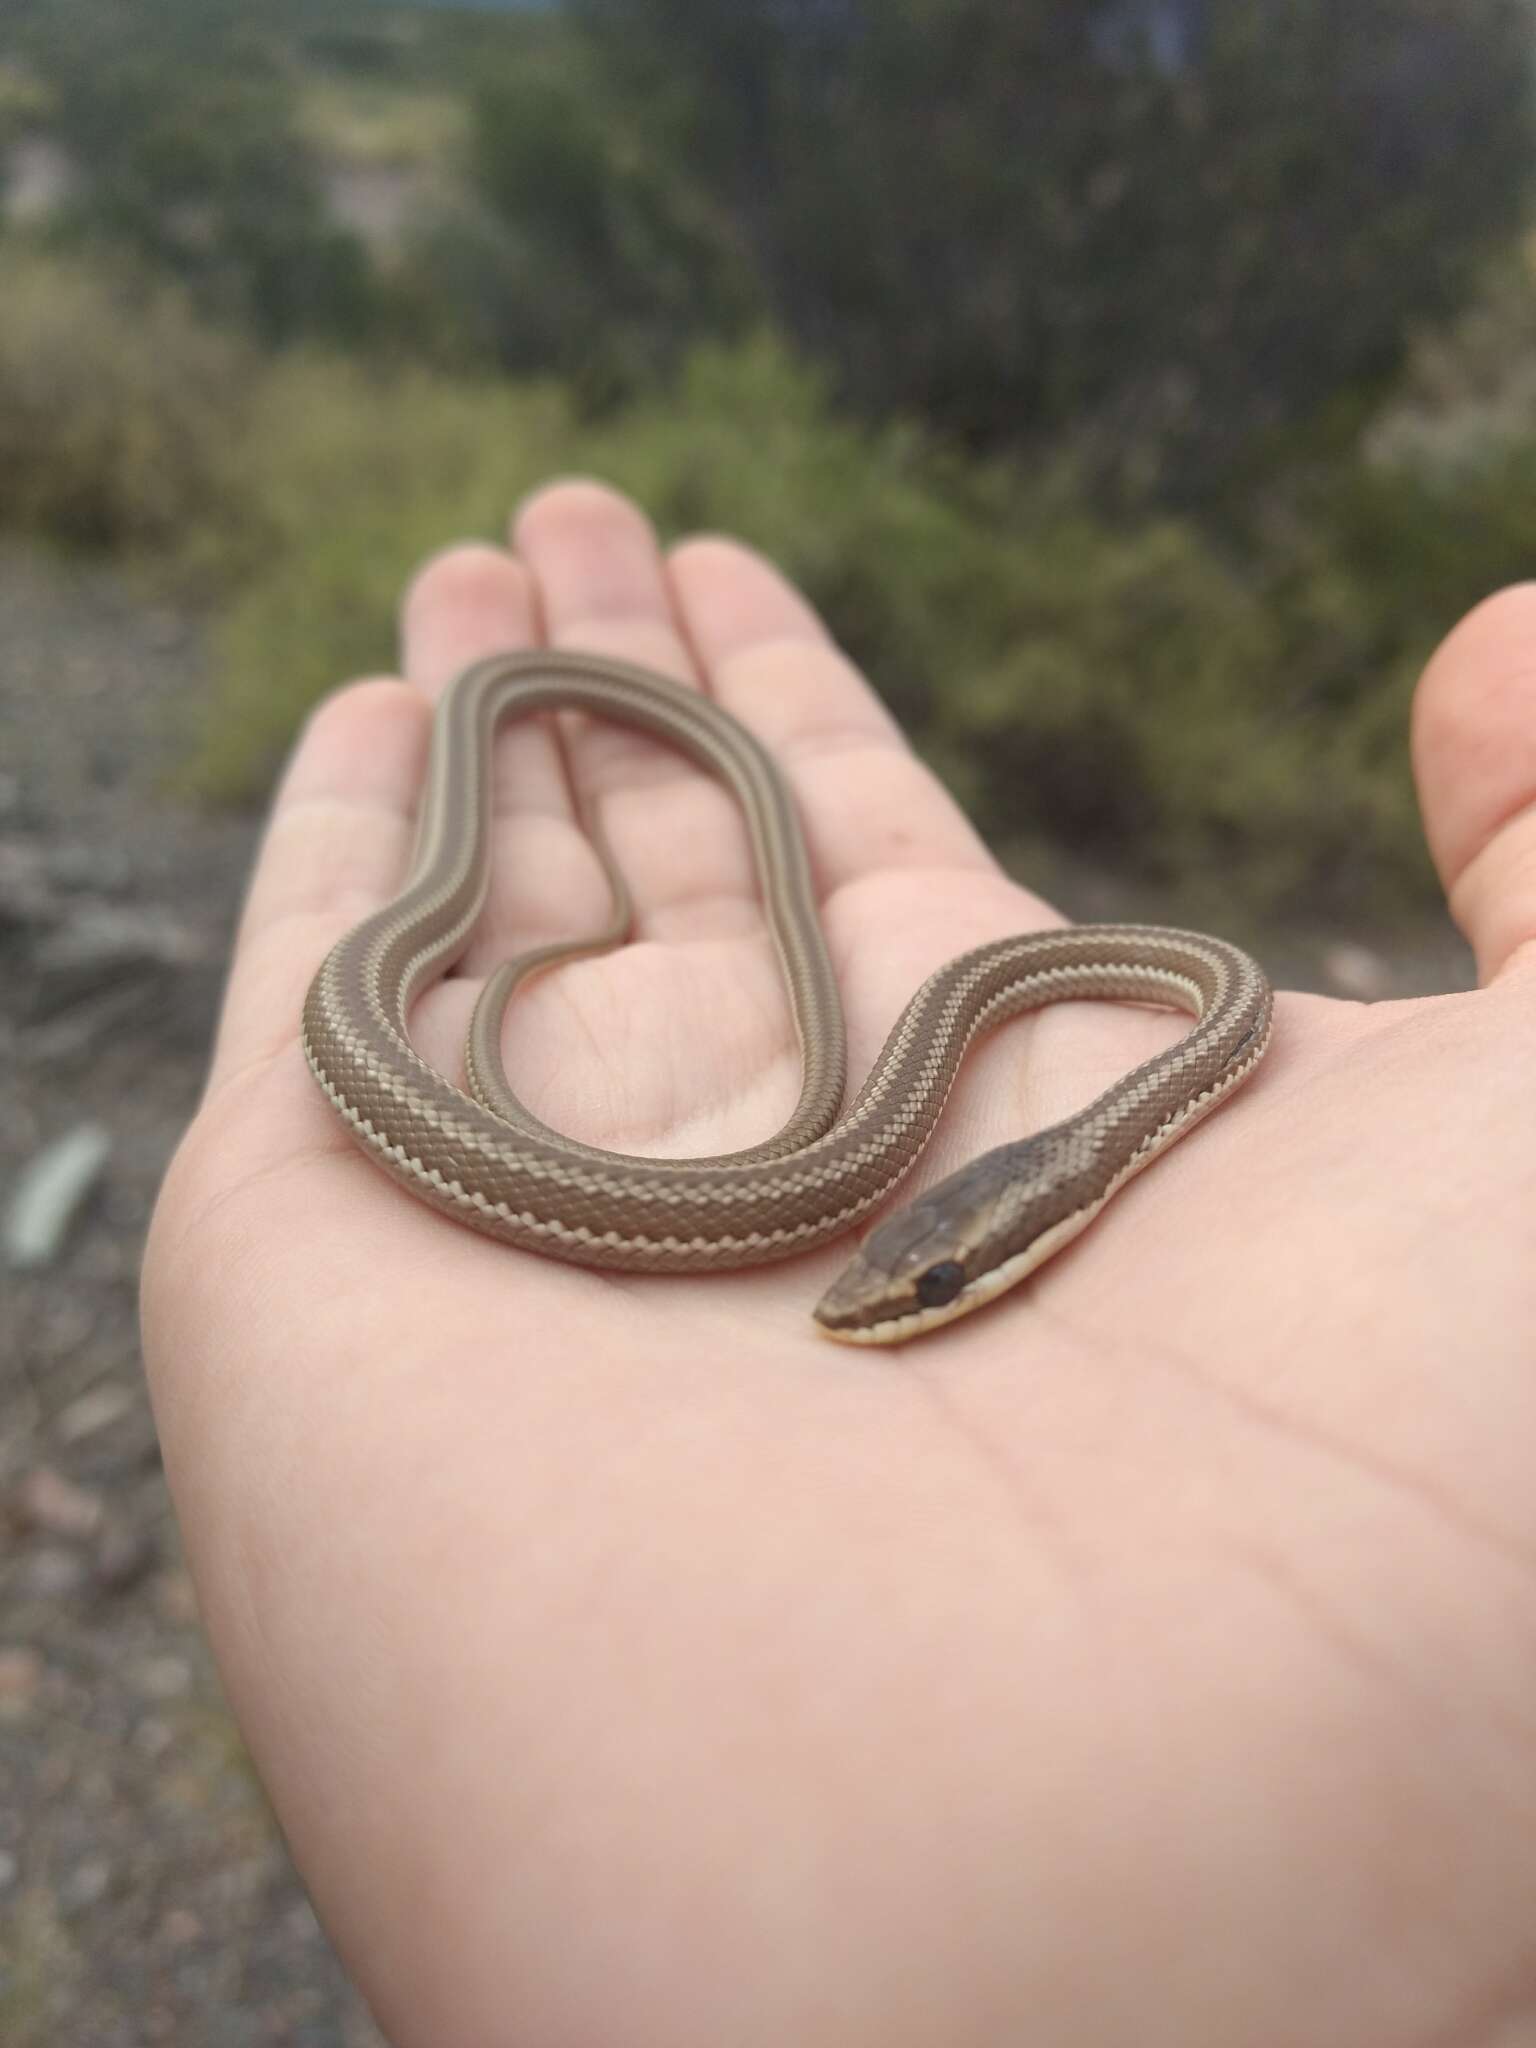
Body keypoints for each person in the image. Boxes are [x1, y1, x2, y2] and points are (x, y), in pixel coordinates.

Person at [141, 477, 1536, 2048]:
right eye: (919, 1273)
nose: (901, 1296)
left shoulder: (1208, 1024)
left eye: (931, 1283)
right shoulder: (1158, 1029)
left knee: (823, 1113)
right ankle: (507, 735)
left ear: (1044, 1219)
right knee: (428, 870)